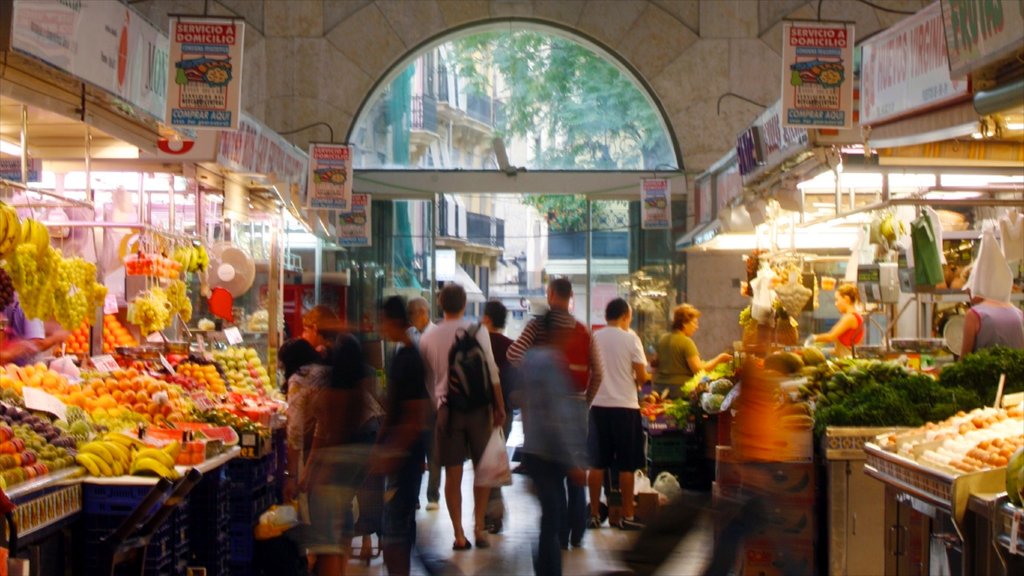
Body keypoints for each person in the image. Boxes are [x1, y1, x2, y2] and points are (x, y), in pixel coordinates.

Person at [508, 278, 602, 549]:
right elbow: (599, 371)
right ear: (571, 296)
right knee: (574, 468)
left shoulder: (539, 326)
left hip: (544, 408)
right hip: (577, 405)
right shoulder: (583, 330)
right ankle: (577, 532)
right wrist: (585, 400)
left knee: (553, 474)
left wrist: (530, 380)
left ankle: (557, 534)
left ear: (550, 295)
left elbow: (514, 353)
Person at [418, 283, 506, 550]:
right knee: (483, 472)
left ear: (440, 305)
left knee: (452, 474)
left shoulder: (427, 337)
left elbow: (428, 381)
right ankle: (478, 528)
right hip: (479, 409)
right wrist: (499, 407)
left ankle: (458, 534)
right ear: (464, 304)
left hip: (447, 412)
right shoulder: (478, 331)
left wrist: (438, 406)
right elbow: (492, 372)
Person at [298, 315, 370, 576]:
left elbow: (332, 422)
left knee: (327, 533)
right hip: (357, 448)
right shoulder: (351, 349)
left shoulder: (341, 359)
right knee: (340, 520)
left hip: (344, 452)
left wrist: (323, 464)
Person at [519, 314, 589, 576]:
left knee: (551, 515)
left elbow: (523, 400)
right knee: (553, 517)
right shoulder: (552, 362)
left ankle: (545, 565)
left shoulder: (530, 360)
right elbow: (558, 415)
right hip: (551, 453)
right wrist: (572, 460)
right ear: (556, 333)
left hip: (535, 448)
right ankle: (548, 569)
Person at [372, 297, 430, 576]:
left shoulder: (408, 358)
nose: (380, 327)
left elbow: (414, 415)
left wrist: (392, 452)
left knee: (396, 530)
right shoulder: (403, 354)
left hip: (404, 459)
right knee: (399, 527)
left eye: (382, 320)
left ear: (394, 320)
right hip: (405, 457)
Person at [588, 299, 649, 531]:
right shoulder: (631, 338)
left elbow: (591, 370)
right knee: (626, 465)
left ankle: (593, 514)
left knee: (596, 463)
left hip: (599, 405)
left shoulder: (595, 338)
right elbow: (642, 376)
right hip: (625, 406)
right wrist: (634, 380)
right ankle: (627, 515)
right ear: (625, 315)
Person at [279, 338, 331, 505]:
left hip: (341, 439)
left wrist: (291, 477)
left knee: (321, 502)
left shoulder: (300, 378)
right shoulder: (324, 371)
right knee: (338, 504)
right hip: (368, 428)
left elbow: (295, 429)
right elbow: (321, 424)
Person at [960, 227, 1024, 355]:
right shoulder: (1019, 314)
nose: (969, 296)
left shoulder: (974, 315)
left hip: (985, 375)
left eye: (969, 291)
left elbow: (965, 361)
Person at [482, 300, 515, 534]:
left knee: (485, 463)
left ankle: (492, 512)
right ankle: (493, 511)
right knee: (496, 461)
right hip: (506, 412)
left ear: (487, 319)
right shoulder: (511, 347)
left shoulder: (480, 344)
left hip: (482, 411)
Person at [653, 304, 731, 399]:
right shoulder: (686, 342)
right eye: (694, 323)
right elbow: (698, 370)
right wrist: (720, 359)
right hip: (679, 391)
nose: (696, 327)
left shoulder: (662, 339)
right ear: (684, 323)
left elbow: (654, 364)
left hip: (659, 388)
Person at [407, 296, 441, 511]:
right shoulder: (410, 335)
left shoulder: (435, 335)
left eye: (412, 314)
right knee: (415, 449)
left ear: (422, 313)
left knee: (433, 449)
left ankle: (433, 495)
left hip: (432, 399)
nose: (410, 319)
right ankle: (415, 495)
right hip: (414, 399)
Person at [0, 297, 69, 365]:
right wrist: (57, 337)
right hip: (27, 369)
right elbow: (38, 343)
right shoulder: (30, 303)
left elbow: (3, 325)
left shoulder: (6, 298)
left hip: (7, 368)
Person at [812, 284, 864, 357]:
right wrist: (823, 351)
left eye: (837, 300)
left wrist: (813, 338)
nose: (836, 304)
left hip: (847, 361)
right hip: (846, 357)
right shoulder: (854, 316)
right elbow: (845, 345)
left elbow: (830, 337)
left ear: (846, 299)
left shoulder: (850, 317)